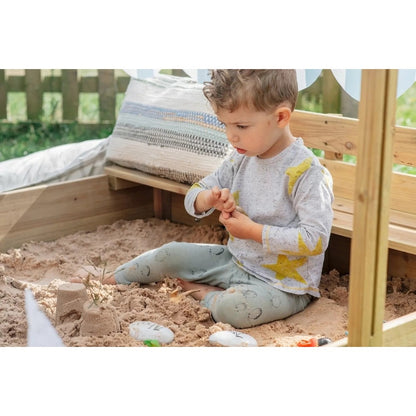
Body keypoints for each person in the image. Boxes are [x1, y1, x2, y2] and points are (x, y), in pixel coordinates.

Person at [90, 70, 334, 329]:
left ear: (281, 117)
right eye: (225, 125)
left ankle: (205, 295)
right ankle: (110, 279)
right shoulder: (241, 157)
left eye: (240, 126)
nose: (231, 136)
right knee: (171, 253)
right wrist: (209, 198)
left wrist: (253, 232)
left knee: (235, 309)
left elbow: (315, 239)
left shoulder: (307, 172)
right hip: (235, 260)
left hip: (283, 285)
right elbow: (195, 193)